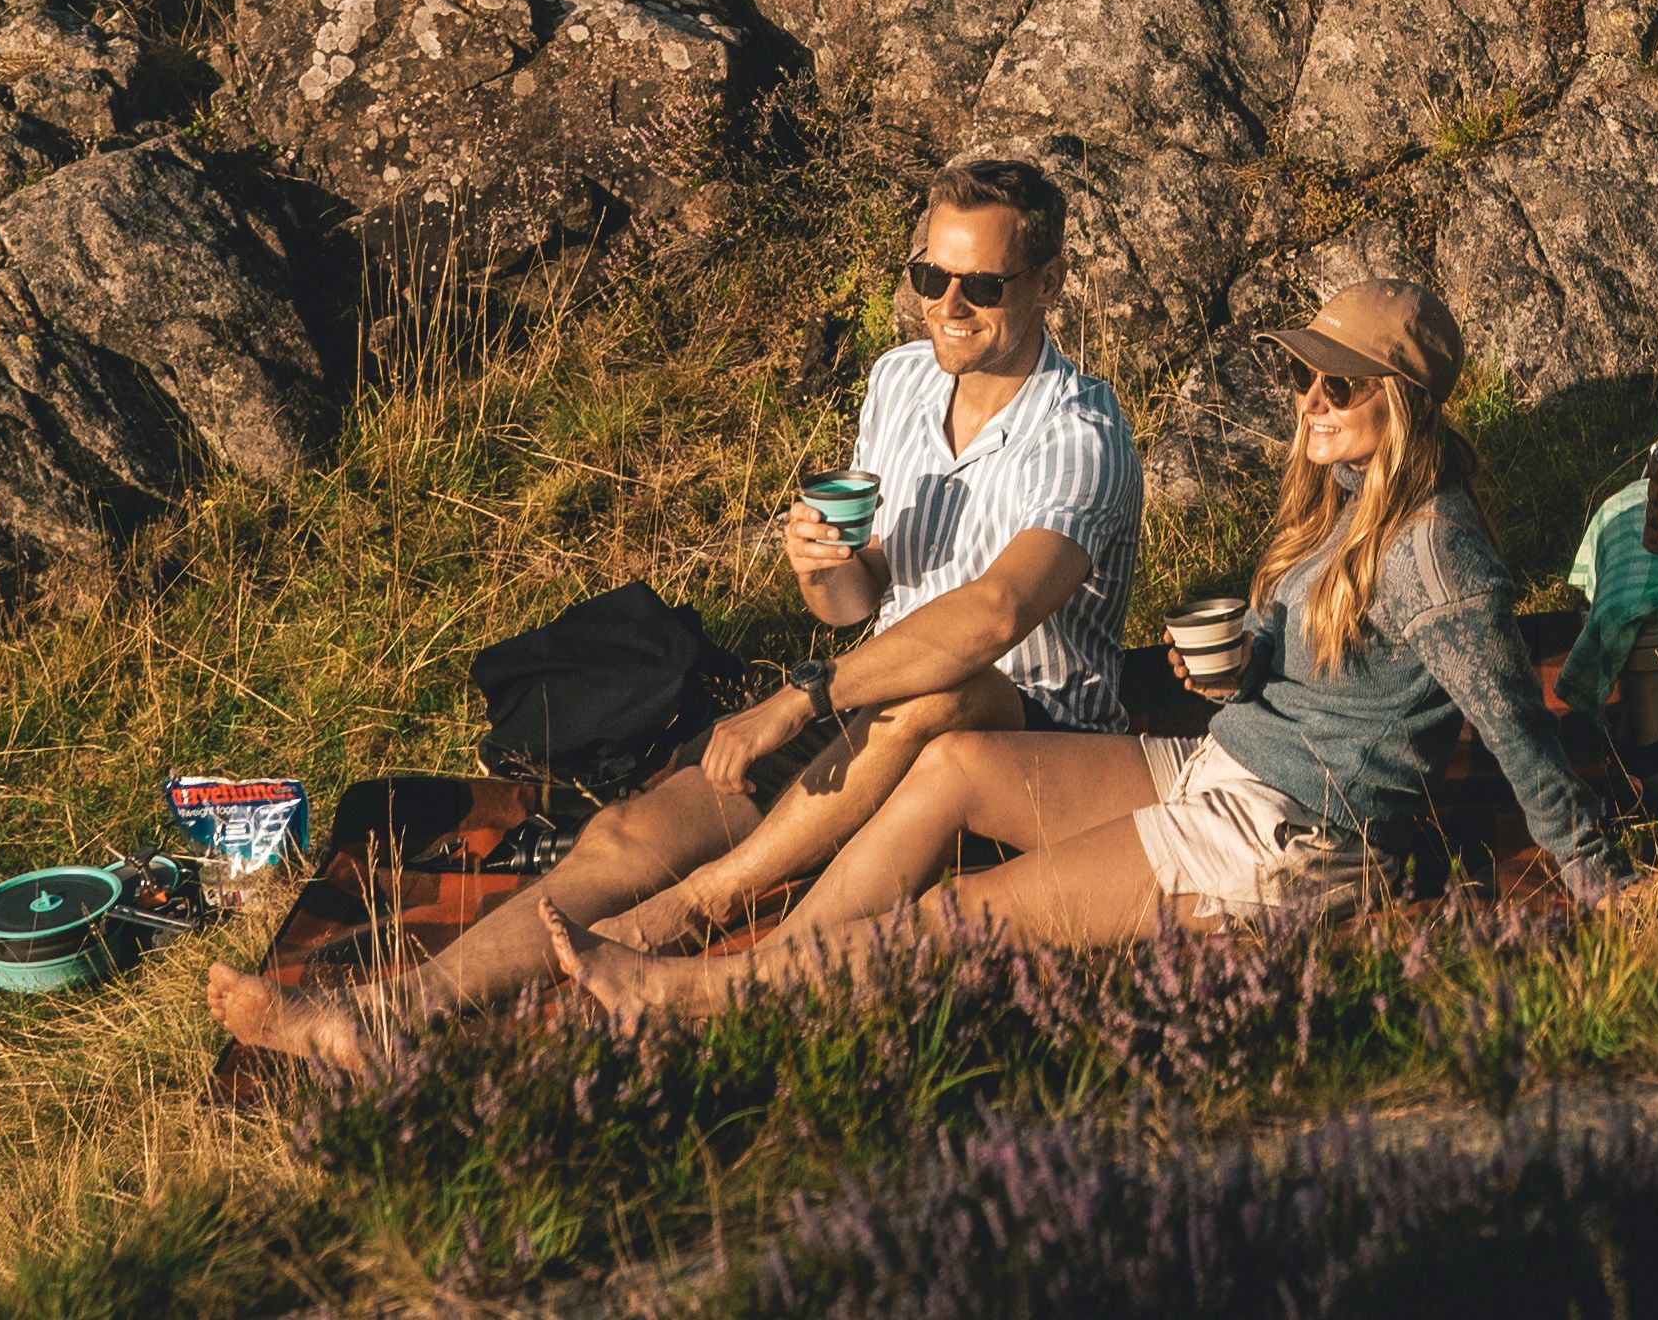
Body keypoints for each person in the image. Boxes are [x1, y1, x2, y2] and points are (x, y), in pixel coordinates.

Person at [219, 151, 1126, 1079]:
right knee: (627, 835)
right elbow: (854, 604)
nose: (948, 305)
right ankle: (386, 1012)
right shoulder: (900, 382)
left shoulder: (1079, 433)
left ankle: (702, 908)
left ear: (1049, 282)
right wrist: (823, 566)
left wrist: (803, 695)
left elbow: (993, 615)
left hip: (1023, 733)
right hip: (871, 694)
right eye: (929, 276)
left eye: (980, 283)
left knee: (943, 695)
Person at [625, 273, 1625, 1006]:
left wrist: (1601, 880)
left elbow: (1512, 731)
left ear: (1398, 400)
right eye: (1303, 380)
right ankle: (760, 961)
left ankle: (706, 1000)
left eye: (1338, 387)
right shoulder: (1344, 507)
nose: (1309, 404)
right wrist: (1228, 672)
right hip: (1220, 770)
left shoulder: (1440, 557)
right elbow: (1309, 683)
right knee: (954, 763)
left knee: (953, 917)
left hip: (1291, 835)